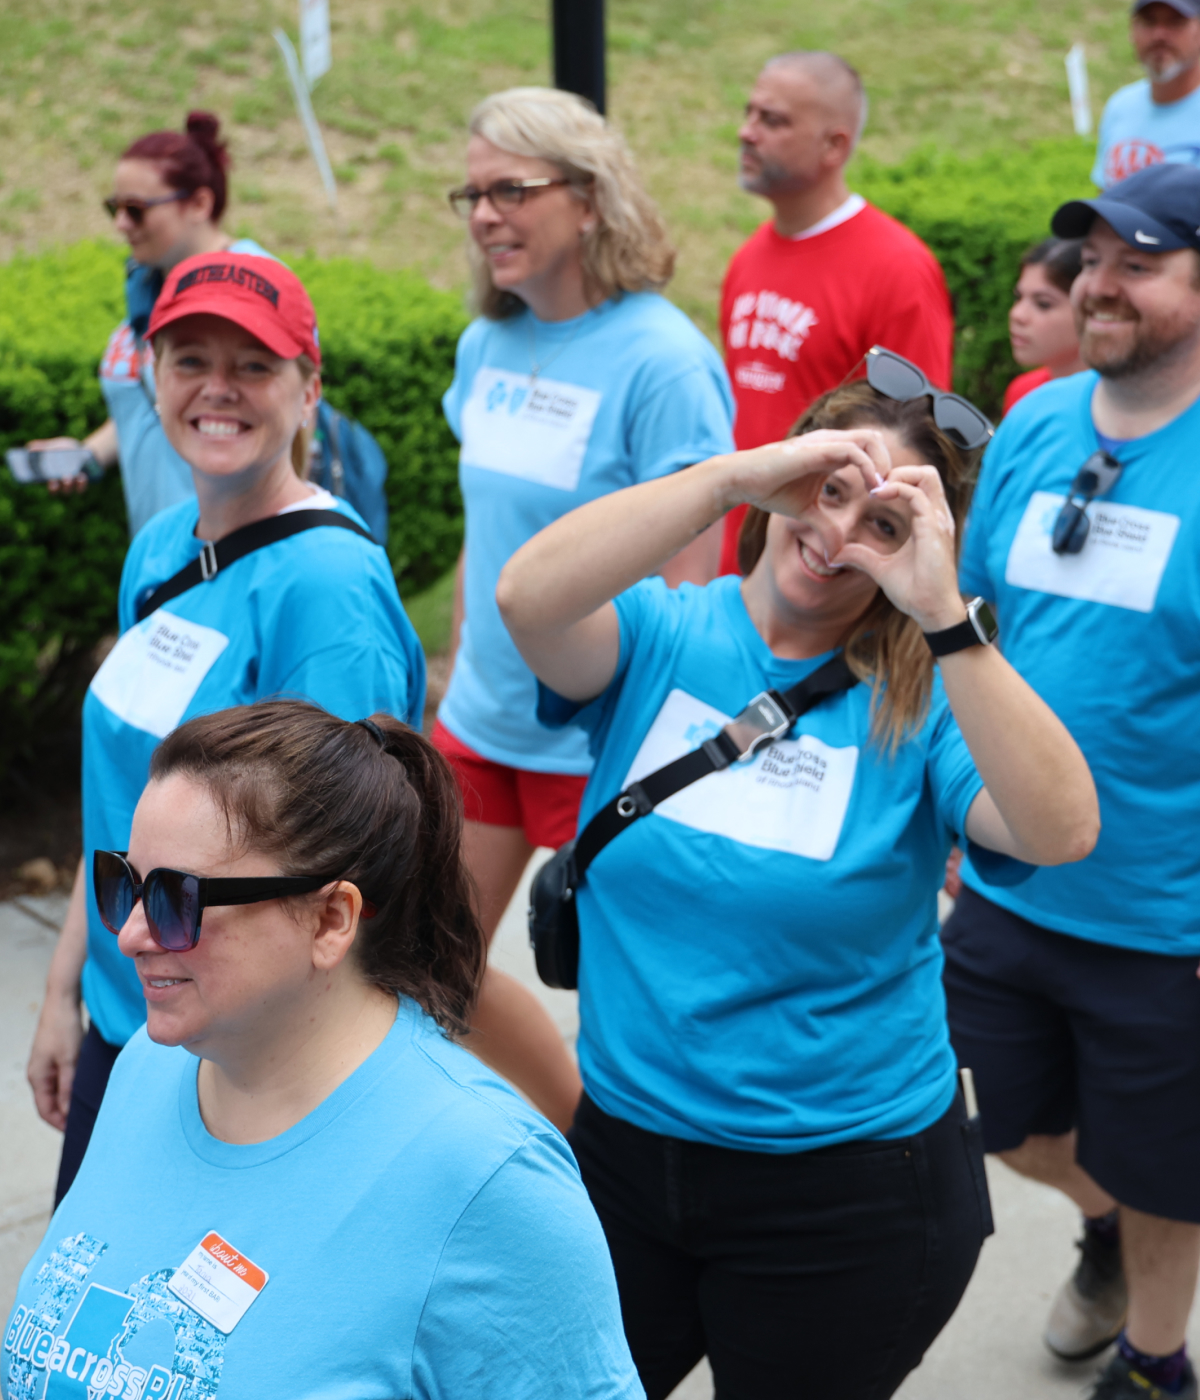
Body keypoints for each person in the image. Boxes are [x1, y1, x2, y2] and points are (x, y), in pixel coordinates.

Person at [495, 361, 1099, 1399]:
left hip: (845, 1196)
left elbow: (1060, 828)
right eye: (829, 489)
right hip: (629, 1159)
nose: (838, 535)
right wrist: (731, 476)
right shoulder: (662, 634)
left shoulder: (926, 698)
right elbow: (526, 596)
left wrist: (946, 616)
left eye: (886, 520)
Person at [2, 701, 643, 1400]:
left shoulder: (485, 1177)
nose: (129, 935)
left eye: (175, 899)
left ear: (330, 920)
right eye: (123, 884)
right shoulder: (148, 1070)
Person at [25, 250, 425, 1209]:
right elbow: (125, 808)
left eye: (253, 365)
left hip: (242, 1065)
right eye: (189, 360)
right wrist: (64, 991)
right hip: (132, 1028)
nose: (219, 390)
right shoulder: (162, 548)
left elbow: (345, 876)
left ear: (308, 388)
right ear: (153, 379)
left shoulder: (328, 593)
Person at [942, 163, 1200, 1400]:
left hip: (1169, 914)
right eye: (1092, 259)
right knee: (1012, 1126)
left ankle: (1156, 1354)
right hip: (1010, 877)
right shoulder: (1039, 421)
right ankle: (1104, 1225)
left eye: (1137, 264)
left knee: (1170, 1165)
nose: (1099, 284)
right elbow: (976, 623)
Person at [435, 86, 735, 1131]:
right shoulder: (489, 345)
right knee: (427, 967)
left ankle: (609, 1162)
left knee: (624, 1003)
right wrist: (464, 651)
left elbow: (695, 576)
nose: (483, 214)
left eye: (510, 189)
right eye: (471, 194)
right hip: (480, 726)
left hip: (601, 742)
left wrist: (661, 748)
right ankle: (577, 1138)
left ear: (590, 198)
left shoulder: (663, 358)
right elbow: (493, 528)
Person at [717, 50, 955, 574]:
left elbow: (917, 445)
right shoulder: (748, 258)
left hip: (824, 570)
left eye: (772, 120)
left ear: (834, 145)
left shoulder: (897, 270)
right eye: (750, 113)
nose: (746, 132)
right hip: (741, 566)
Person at [29, 112, 269, 536]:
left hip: (231, 552)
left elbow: (282, 416)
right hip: (162, 555)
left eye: (136, 210)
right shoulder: (151, 286)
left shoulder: (252, 285)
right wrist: (87, 453)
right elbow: (152, 406)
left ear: (199, 203)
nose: (121, 224)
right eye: (114, 208)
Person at [1094, 0, 1200, 188]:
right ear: (1132, 31)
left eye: (1175, 22)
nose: (1159, 34)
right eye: (1149, 21)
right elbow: (1105, 196)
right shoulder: (1120, 106)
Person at [1004, 238, 1086, 413]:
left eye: (1043, 304)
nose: (1017, 314)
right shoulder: (1023, 392)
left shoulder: (1121, 410)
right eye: (1018, 297)